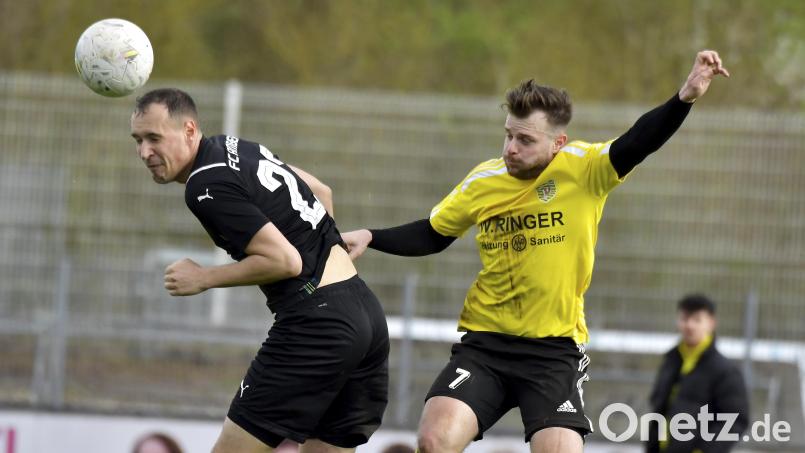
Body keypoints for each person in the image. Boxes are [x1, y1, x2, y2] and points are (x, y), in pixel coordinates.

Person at [342, 50, 730, 453]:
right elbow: (433, 234)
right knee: (433, 440)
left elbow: (638, 141)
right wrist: (372, 236)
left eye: (525, 140)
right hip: (486, 345)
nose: (511, 147)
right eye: (508, 134)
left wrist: (684, 97)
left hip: (554, 351)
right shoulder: (484, 180)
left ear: (558, 143)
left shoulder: (585, 169)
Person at [129, 89, 389, 453]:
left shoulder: (204, 185)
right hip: (365, 313)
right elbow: (320, 190)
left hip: (317, 327)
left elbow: (285, 261)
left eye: (154, 138)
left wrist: (203, 278)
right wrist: (323, 249)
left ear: (189, 130)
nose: (144, 152)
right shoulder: (236, 147)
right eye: (138, 140)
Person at [645, 294, 749, 453]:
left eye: (697, 319)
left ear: (711, 323)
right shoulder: (670, 362)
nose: (689, 325)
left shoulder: (725, 371)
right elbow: (659, 411)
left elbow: (735, 421)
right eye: (684, 318)